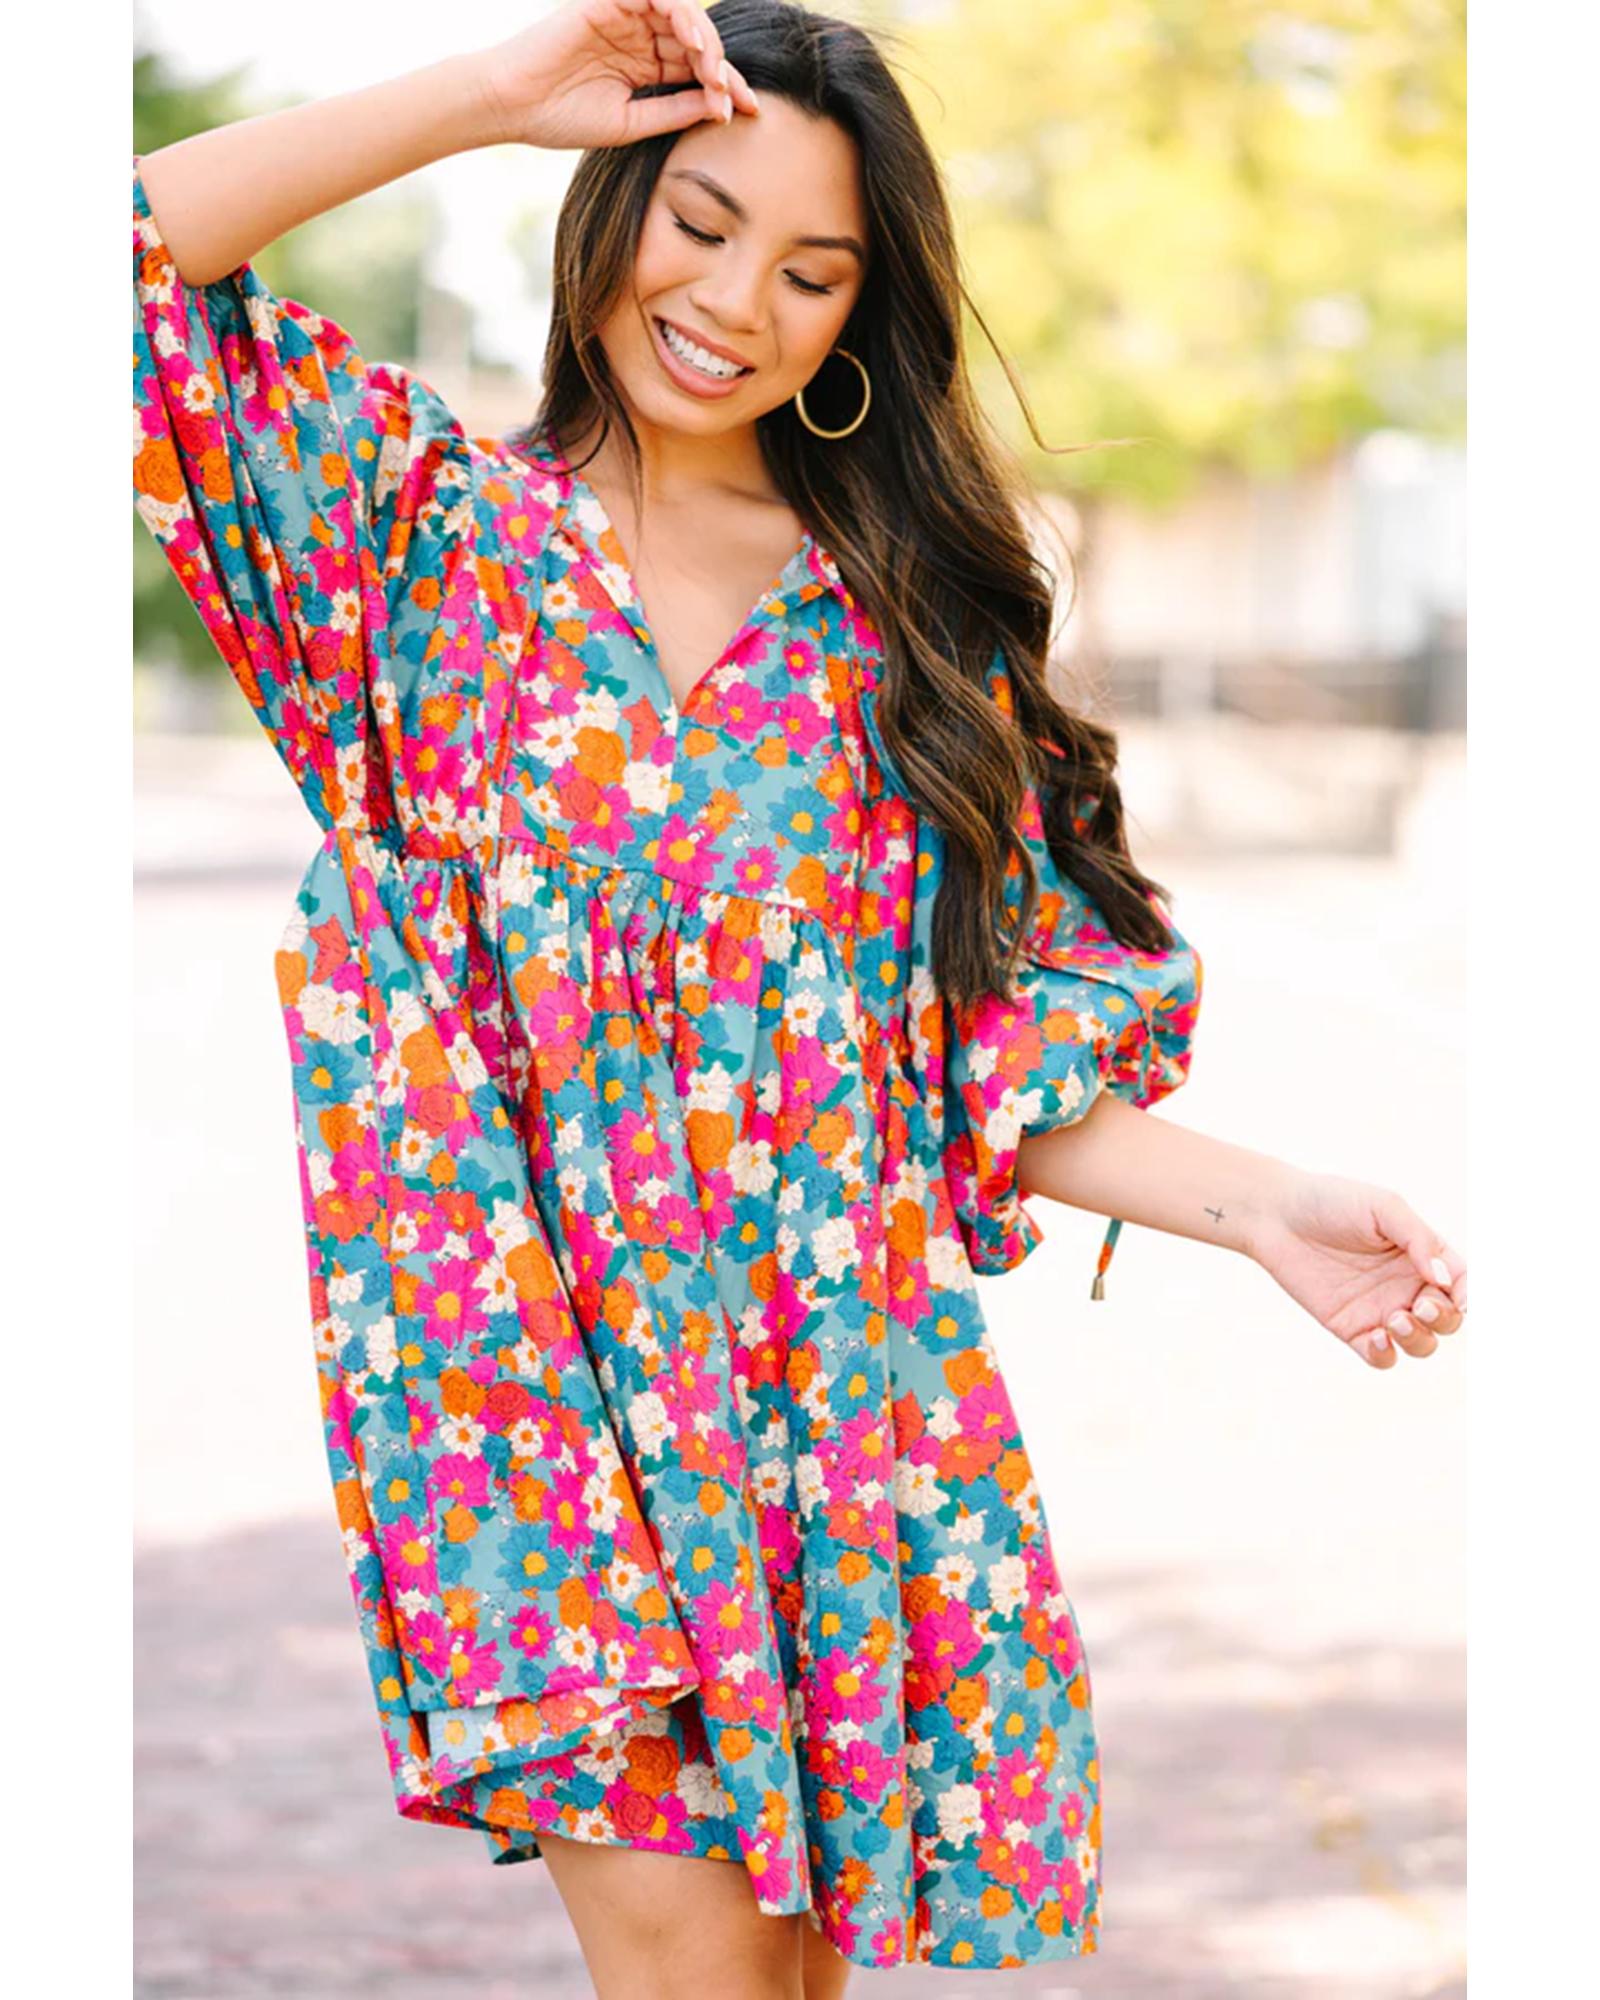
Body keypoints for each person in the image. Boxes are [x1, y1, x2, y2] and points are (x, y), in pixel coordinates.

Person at [130, 2, 1467, 1994]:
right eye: (699, 223)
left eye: (811, 271)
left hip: (830, 1413)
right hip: (519, 1416)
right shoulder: (406, 537)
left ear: (859, 315)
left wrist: (1267, 1205)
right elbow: (102, 257)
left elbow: (978, 1069)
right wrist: (493, 94)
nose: (735, 302)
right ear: (608, 211)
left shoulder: (901, 629)